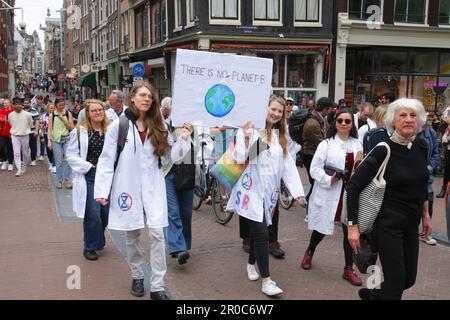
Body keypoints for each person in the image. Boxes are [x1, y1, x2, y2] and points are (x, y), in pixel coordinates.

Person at [94, 83, 193, 300]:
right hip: (127, 188)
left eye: (150, 96)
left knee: (157, 235)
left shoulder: (160, 127)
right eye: (142, 95)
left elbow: (173, 157)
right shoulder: (118, 126)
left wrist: (184, 138)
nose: (146, 99)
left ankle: (157, 286)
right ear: (132, 98)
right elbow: (106, 159)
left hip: (153, 187)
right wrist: (101, 190)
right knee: (133, 234)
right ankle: (138, 275)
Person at [347, 98, 431, 300]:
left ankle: (371, 296)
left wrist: (426, 214)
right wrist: (353, 227)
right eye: (403, 115)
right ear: (393, 121)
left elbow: (421, 183)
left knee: (408, 280)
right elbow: (354, 186)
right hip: (387, 226)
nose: (408, 119)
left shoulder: (421, 146)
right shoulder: (383, 149)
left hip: (411, 224)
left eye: (413, 115)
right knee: (395, 286)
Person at [226, 95, 304, 297]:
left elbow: (287, 165)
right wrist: (245, 137)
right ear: (265, 108)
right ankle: (266, 281)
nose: (276, 114)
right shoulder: (250, 130)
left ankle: (251, 263)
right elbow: (239, 158)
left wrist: (296, 192)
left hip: (269, 192)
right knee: (261, 232)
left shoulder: (281, 136)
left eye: (280, 111)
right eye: (273, 109)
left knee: (259, 231)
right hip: (250, 190)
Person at [300, 109, 364, 286]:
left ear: (352, 125)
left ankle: (348, 268)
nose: (343, 124)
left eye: (347, 121)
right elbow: (314, 169)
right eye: (340, 120)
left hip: (349, 194)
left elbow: (361, 168)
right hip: (330, 192)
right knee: (321, 228)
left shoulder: (357, 144)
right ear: (335, 123)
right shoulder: (326, 144)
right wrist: (330, 178)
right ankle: (310, 251)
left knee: (348, 231)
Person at [67, 100, 110, 261]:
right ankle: (90, 246)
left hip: (107, 176)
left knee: (105, 213)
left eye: (100, 110)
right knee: (93, 213)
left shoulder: (111, 130)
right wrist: (88, 166)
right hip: (90, 175)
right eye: (94, 111)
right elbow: (71, 155)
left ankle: (98, 236)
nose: (98, 113)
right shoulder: (80, 131)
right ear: (88, 113)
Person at [302, 97, 333, 219]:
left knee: (316, 183)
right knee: (316, 183)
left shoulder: (321, 120)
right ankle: (309, 212)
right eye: (330, 108)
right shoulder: (313, 123)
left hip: (314, 155)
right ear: (325, 109)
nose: (331, 111)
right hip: (310, 156)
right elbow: (321, 143)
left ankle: (312, 208)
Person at [418, 117, 440, 246]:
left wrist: (429, 168)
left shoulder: (430, 133)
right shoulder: (410, 133)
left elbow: (436, 153)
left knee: (428, 204)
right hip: (412, 176)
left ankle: (426, 233)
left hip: (427, 176)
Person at [47, 97, 75, 189]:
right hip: (56, 140)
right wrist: (49, 141)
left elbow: (72, 127)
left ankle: (67, 180)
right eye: (59, 105)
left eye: (63, 105)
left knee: (67, 160)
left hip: (66, 138)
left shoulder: (68, 114)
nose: (61, 107)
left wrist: (64, 119)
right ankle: (59, 180)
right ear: (55, 105)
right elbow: (50, 129)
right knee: (58, 161)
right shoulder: (52, 115)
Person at [8, 98, 33, 177]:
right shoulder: (10, 115)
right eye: (15, 104)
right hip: (15, 136)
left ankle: (24, 165)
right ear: (13, 105)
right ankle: (19, 168)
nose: (17, 106)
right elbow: (11, 123)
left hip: (25, 135)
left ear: (22, 105)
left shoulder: (27, 114)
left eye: (19, 104)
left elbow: (30, 124)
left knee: (25, 153)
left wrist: (24, 130)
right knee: (16, 152)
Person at [23, 98, 40, 166]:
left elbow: (37, 121)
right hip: (23, 132)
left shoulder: (34, 111)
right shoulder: (21, 110)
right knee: (24, 146)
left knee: (33, 146)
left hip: (32, 131)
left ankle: (33, 160)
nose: (26, 104)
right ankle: (23, 160)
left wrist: (36, 130)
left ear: (30, 103)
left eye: (27, 103)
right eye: (25, 103)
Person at [41, 103, 56, 173]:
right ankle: (50, 161)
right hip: (46, 134)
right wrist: (42, 136)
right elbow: (42, 126)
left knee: (54, 149)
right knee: (48, 149)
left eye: (53, 108)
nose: (52, 109)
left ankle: (54, 164)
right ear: (47, 109)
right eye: (51, 108)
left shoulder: (56, 116)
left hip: (55, 135)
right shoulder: (44, 116)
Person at [0, 99, 14, 171]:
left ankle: (10, 163)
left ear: (10, 104)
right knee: (1, 147)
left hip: (11, 133)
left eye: (6, 103)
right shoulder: (1, 111)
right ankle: (4, 160)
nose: (5, 105)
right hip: (2, 133)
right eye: (4, 103)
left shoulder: (13, 111)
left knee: (10, 148)